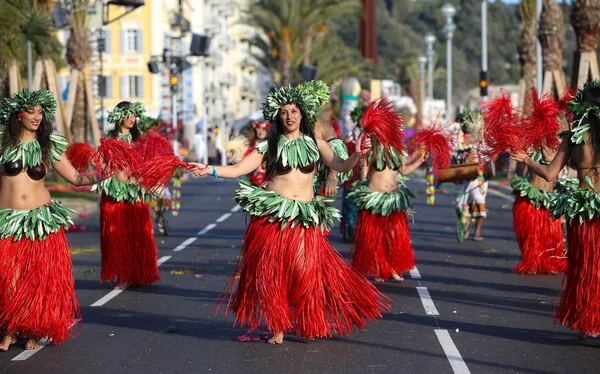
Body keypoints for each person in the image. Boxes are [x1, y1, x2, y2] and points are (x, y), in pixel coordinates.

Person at [188, 82, 390, 344]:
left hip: (304, 216)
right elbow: (239, 169)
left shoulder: (315, 143)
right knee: (276, 273)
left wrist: (358, 155)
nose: (289, 116)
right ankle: (278, 326)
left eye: (294, 111)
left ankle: (307, 320)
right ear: (278, 116)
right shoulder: (268, 144)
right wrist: (209, 169)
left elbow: (340, 164)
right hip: (275, 216)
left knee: (305, 272)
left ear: (302, 114)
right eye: (284, 112)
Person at [0, 89, 106, 350]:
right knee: (8, 279)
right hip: (7, 220)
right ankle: (11, 328)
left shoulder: (48, 145)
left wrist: (104, 174)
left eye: (41, 112)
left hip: (40, 221)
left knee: (35, 279)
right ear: (18, 113)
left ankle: (32, 331)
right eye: (31, 111)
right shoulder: (2, 145)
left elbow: (76, 178)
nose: (37, 116)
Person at [510, 80, 600, 345]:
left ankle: (588, 323)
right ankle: (589, 320)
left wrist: (526, 159)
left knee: (585, 267)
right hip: (586, 212)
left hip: (584, 212)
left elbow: (549, 173)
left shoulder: (574, 137)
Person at [348, 105, 426, 282]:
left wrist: (419, 160)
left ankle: (392, 268)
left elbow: (404, 170)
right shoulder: (371, 152)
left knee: (393, 236)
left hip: (392, 199)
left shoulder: (395, 152)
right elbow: (364, 176)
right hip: (374, 199)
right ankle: (378, 269)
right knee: (375, 238)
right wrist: (361, 165)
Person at [95, 101, 159, 288]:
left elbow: (147, 164)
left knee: (138, 234)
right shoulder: (108, 139)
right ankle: (119, 274)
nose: (132, 119)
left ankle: (138, 273)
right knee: (116, 236)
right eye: (128, 115)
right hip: (114, 194)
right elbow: (102, 164)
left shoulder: (140, 140)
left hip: (136, 193)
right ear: (118, 117)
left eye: (134, 115)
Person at [511, 148, 566, 275]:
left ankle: (549, 262)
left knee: (552, 236)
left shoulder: (559, 147)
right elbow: (544, 157)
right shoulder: (534, 148)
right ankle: (532, 262)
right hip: (533, 197)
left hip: (549, 198)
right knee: (533, 236)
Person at [455, 109, 488, 241]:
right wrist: (462, 156)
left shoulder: (483, 142)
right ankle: (465, 222)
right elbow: (452, 159)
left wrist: (478, 155)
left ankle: (477, 232)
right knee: (459, 205)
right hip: (462, 177)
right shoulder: (457, 140)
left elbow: (489, 157)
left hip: (479, 178)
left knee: (479, 202)